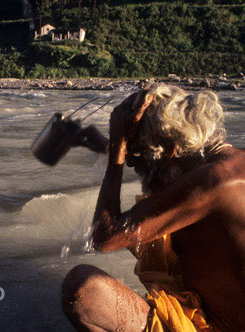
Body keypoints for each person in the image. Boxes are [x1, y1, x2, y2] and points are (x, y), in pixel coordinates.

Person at [61, 83, 245, 332]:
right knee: (146, 232)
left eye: (144, 164)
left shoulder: (211, 182)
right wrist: (101, 142)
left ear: (170, 150)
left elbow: (104, 236)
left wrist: (118, 147)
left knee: (82, 289)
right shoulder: (229, 165)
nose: (146, 180)